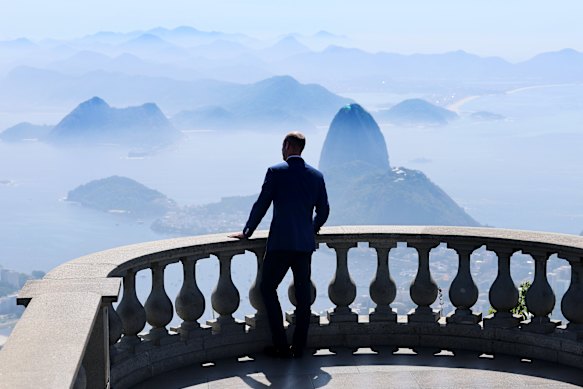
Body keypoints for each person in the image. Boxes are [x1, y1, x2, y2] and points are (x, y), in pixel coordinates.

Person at [229, 131, 330, 358]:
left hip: (281, 244)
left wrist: (247, 232)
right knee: (304, 298)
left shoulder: (276, 172)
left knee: (267, 288)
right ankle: (300, 347)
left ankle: (281, 345)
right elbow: (323, 211)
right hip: (304, 245)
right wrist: (310, 229)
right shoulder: (316, 176)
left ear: (287, 146)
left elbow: (262, 203)